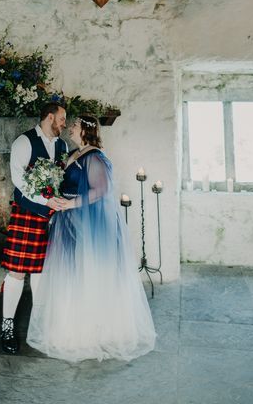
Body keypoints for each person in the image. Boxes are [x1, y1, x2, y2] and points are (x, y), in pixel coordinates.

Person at [27, 115, 156, 362]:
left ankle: (93, 333)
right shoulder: (75, 153)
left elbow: (101, 190)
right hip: (68, 220)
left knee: (86, 270)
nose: (70, 128)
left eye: (74, 125)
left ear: (86, 130)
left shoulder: (95, 157)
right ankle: (68, 331)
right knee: (71, 272)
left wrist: (70, 203)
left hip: (86, 222)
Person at [0, 101, 68, 354]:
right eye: (62, 118)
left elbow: (63, 177)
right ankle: (7, 327)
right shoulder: (24, 142)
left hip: (51, 217)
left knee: (42, 273)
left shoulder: (62, 145)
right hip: (27, 215)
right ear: (49, 117)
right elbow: (18, 180)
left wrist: (64, 201)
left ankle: (39, 327)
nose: (64, 124)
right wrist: (45, 200)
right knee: (17, 273)